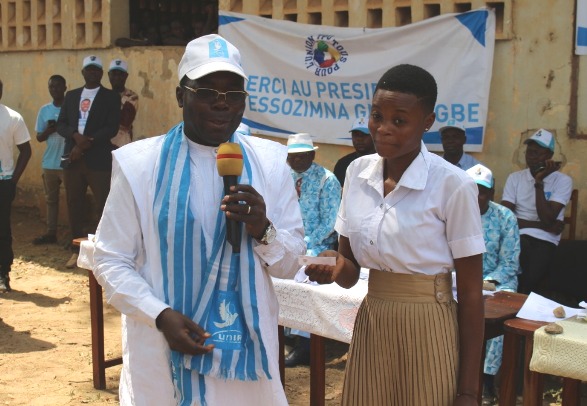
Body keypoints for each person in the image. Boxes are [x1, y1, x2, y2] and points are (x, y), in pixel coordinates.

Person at [92, 34, 305, 405]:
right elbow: (110, 258)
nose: (222, 104)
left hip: (244, 367)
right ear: (181, 96)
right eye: (207, 92)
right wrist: (159, 315)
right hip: (162, 351)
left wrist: (263, 230)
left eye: (233, 94)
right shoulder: (139, 164)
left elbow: (290, 265)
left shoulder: (271, 163)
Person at [305, 64, 486, 405]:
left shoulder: (453, 184)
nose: (383, 129)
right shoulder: (357, 173)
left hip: (429, 325)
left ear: (427, 122)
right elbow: (350, 272)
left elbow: (472, 294)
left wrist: (468, 390)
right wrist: (334, 265)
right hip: (373, 320)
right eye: (377, 116)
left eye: (399, 121)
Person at [57, 55, 121, 269]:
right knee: (74, 203)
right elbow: (61, 124)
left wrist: (86, 143)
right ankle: (76, 250)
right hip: (73, 159)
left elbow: (111, 127)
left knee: (104, 204)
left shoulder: (111, 97)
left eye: (96, 70)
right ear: (83, 72)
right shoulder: (72, 96)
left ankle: (102, 251)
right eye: (89, 69)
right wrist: (75, 136)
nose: (93, 72)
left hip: (98, 159)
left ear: (101, 73)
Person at [284, 132, 341, 367]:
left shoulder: (327, 180)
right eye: (292, 156)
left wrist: (304, 244)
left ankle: (305, 345)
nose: (296, 160)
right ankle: (285, 334)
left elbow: (331, 222)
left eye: (301, 155)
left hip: (319, 247)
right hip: (287, 241)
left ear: (312, 154)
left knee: (306, 277)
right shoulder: (283, 176)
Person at [465, 163, 520, 404]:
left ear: (492, 193)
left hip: (497, 282)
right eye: (471, 190)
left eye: (483, 192)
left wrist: (485, 283)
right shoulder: (451, 213)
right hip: (460, 279)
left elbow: (509, 262)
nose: (476, 197)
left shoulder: (505, 217)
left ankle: (487, 380)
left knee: (499, 318)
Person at [501, 129, 573, 295]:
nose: (531, 157)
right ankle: (521, 295)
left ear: (550, 156)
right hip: (518, 234)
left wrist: (539, 181)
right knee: (522, 249)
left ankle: (522, 295)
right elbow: (506, 218)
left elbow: (547, 218)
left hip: (545, 238)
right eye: (529, 152)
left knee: (533, 261)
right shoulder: (515, 178)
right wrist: (541, 225)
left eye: (537, 153)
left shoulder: (563, 181)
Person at [0, 79, 32, 292]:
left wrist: (12, 181)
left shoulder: (12, 118)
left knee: (2, 229)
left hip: (3, 182)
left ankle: (3, 273)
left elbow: (26, 151)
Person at [32, 75, 67, 245]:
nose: (55, 89)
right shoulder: (44, 110)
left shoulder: (70, 107)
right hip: (50, 163)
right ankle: (51, 233)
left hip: (67, 162)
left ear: (65, 88)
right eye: (52, 87)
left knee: (73, 200)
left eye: (58, 86)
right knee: (51, 200)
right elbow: (39, 137)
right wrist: (48, 130)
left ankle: (73, 235)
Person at [333, 116, 376, 187]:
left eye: (364, 135)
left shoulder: (383, 162)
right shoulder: (343, 163)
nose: (359, 139)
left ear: (374, 136)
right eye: (356, 135)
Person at [108, 59, 139, 148]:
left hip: (122, 144)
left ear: (126, 76)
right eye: (114, 74)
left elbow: (125, 121)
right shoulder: (104, 95)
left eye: (120, 74)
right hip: (104, 144)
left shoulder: (132, 96)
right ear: (109, 75)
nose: (117, 77)